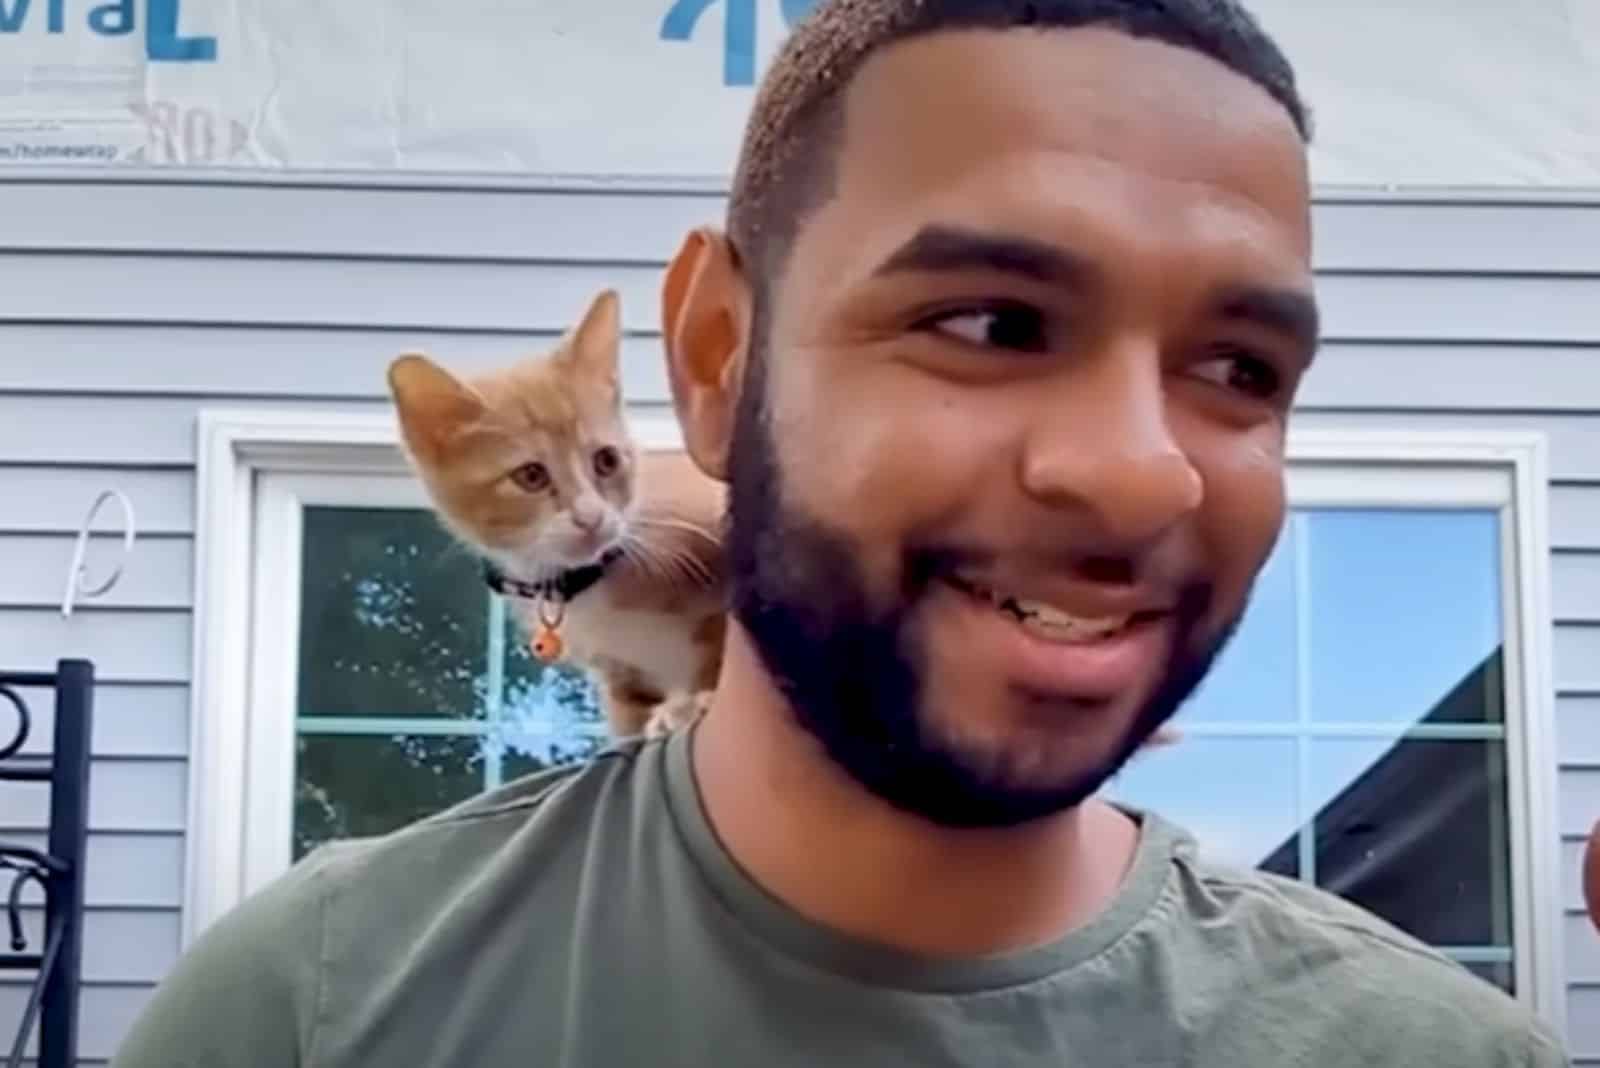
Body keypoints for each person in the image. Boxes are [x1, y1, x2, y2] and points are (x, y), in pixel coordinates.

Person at [112, 1, 1570, 1064]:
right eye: (995, 324)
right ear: (716, 356)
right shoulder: (307, 1013)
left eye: (1242, 369)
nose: (1141, 478)